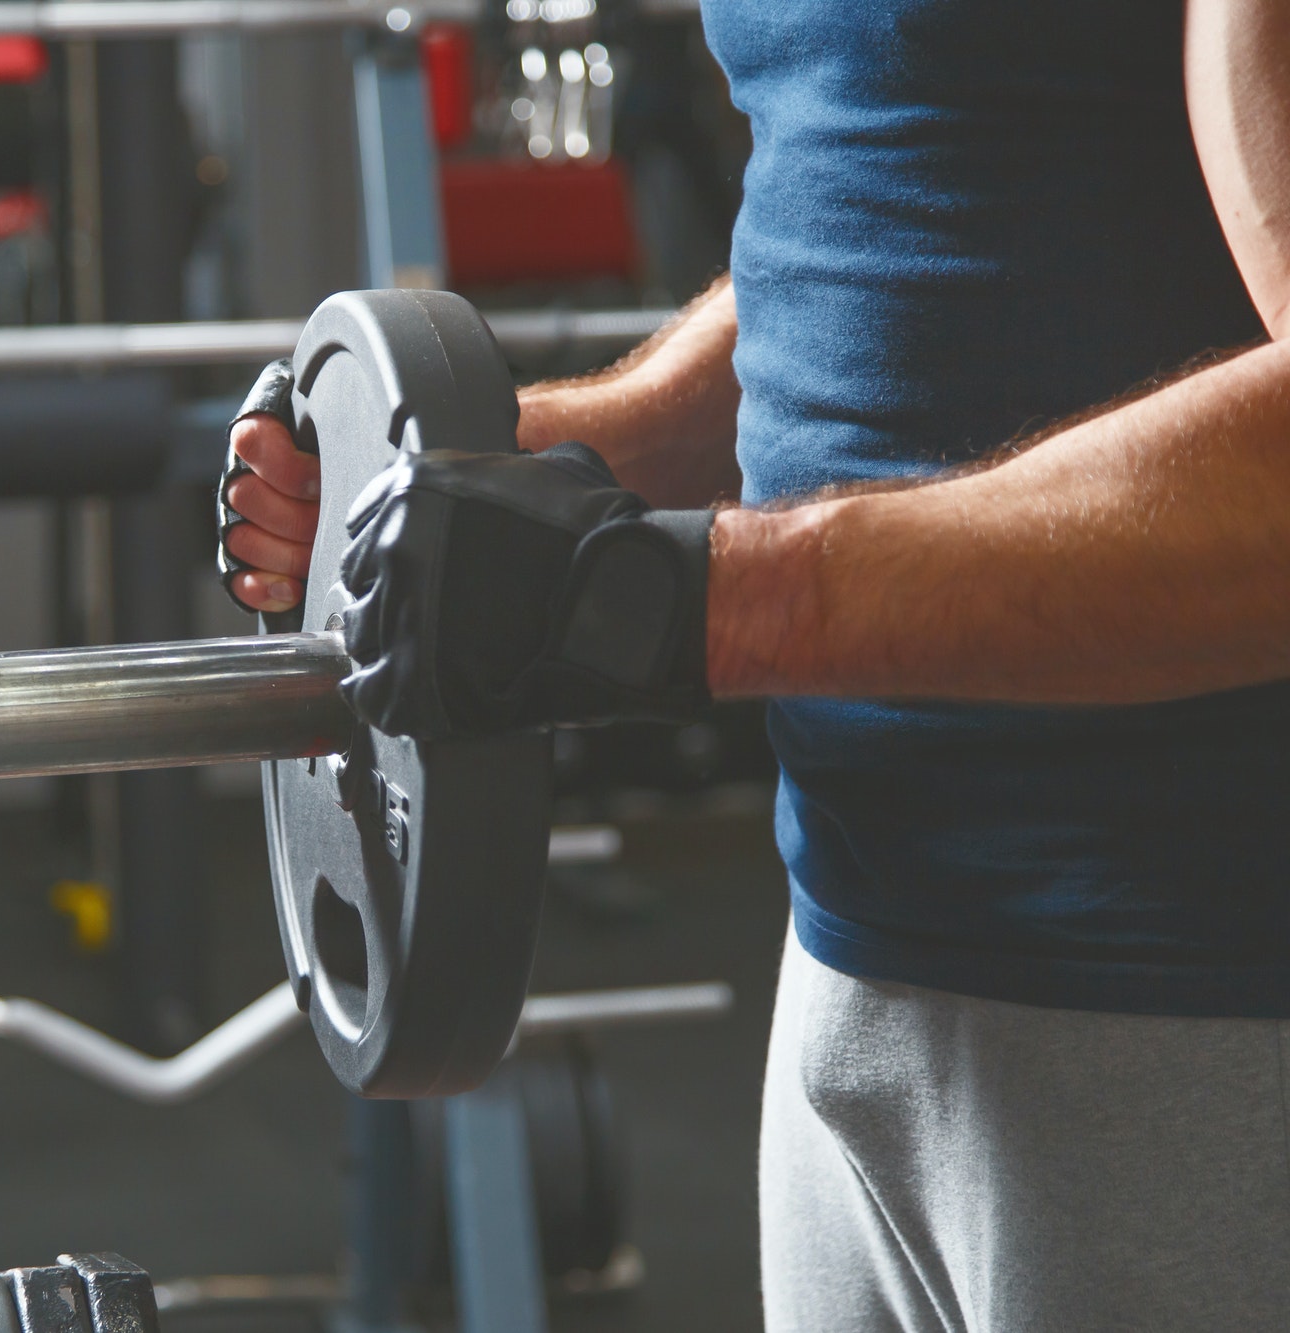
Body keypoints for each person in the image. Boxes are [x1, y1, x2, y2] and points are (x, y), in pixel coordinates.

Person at [219, 1, 1290, 1327]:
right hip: (857, 955)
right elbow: (908, 199)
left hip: (1196, 994)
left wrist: (684, 597)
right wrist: (527, 467)